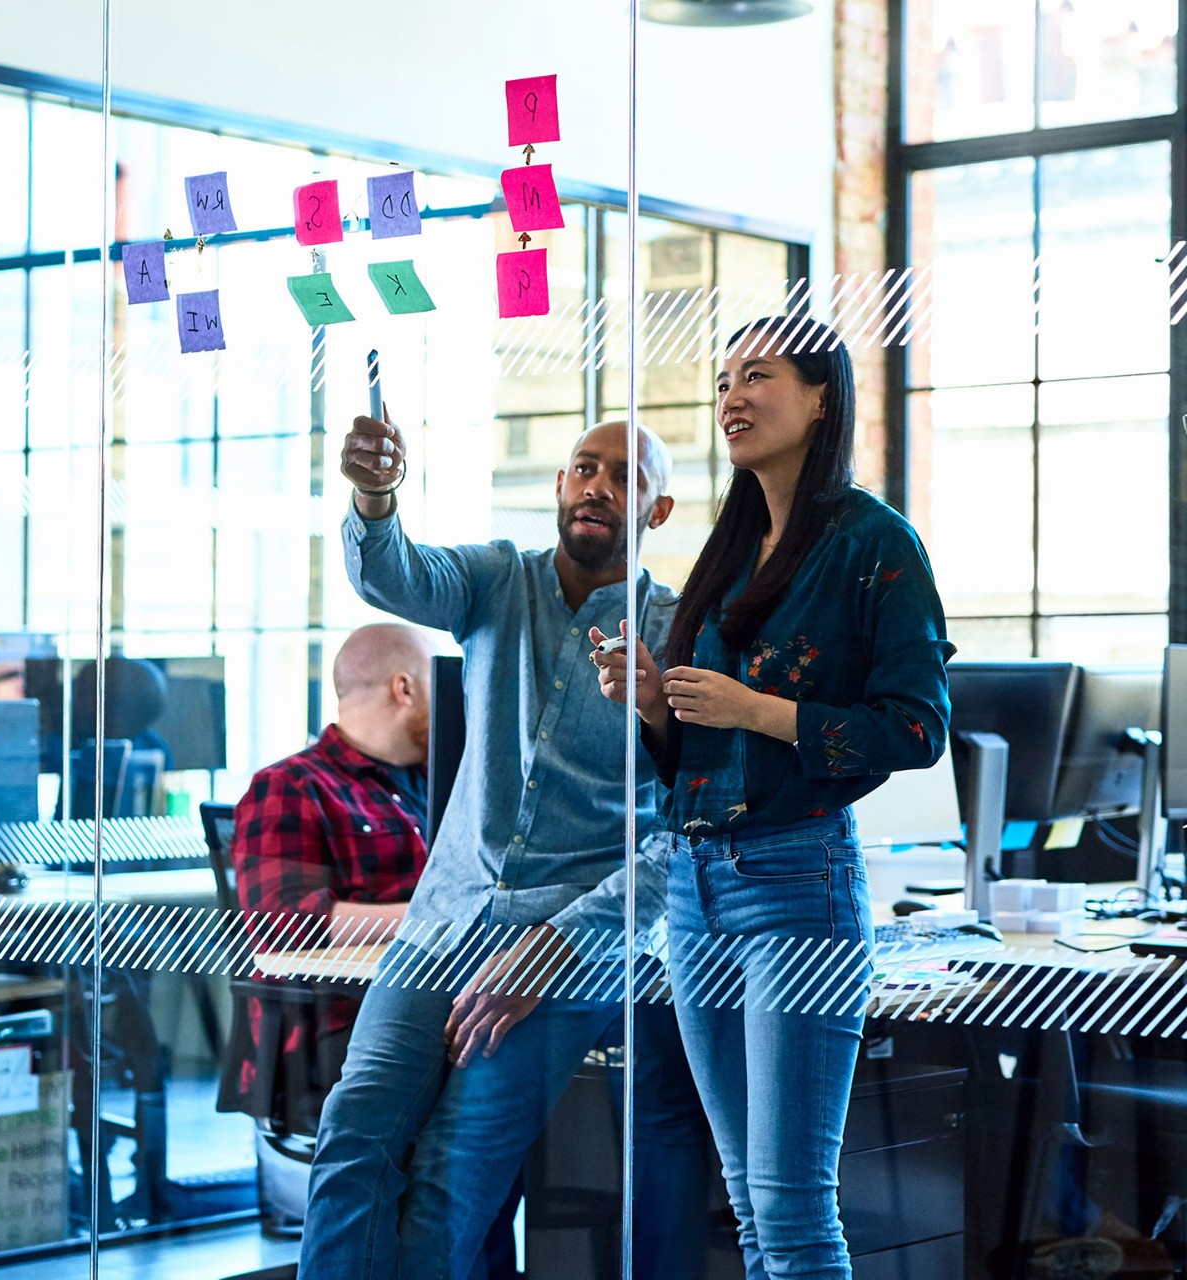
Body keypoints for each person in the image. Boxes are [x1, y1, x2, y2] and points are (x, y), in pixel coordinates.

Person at [296, 413, 713, 1280]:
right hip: (441, 926)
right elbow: (395, 574)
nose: (596, 485)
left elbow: (689, 835)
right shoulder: (495, 581)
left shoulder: (679, 634)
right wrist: (376, 496)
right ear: (560, 486)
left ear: (659, 510)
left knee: (454, 1179)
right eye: (582, 468)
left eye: (624, 477)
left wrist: (561, 944)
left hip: (563, 944)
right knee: (352, 1134)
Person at [591, 314, 955, 1280]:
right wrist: (653, 704)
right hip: (692, 889)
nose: (730, 400)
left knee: (793, 1209)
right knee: (750, 1203)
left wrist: (761, 709)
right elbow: (699, 750)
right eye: (721, 383)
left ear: (822, 394)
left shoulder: (876, 544)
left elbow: (918, 728)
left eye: (756, 376)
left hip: (798, 881)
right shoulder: (732, 544)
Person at [229, 622, 436, 1117]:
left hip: (426, 1001)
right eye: (438, 684)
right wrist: (435, 919)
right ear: (404, 687)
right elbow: (282, 925)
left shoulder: (439, 781)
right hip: (337, 1025)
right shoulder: (290, 786)